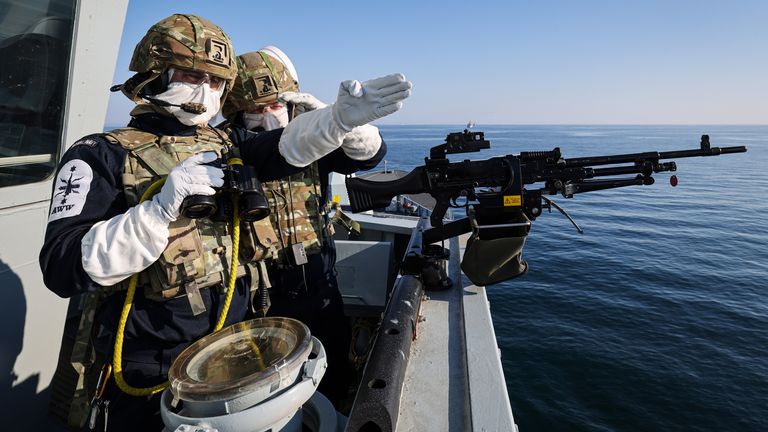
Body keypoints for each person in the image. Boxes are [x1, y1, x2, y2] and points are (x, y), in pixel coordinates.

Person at [39, 14, 411, 431]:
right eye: (189, 74)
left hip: (230, 350)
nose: (204, 90)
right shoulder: (99, 154)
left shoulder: (228, 144)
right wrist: (158, 210)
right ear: (153, 72)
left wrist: (339, 120)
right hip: (147, 362)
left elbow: (287, 148)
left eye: (215, 81)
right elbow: (61, 265)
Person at [220, 47, 390, 407]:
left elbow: (368, 156)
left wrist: (345, 125)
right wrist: (320, 127)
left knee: (330, 365)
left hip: (315, 273)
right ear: (237, 112)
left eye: (274, 106)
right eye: (256, 110)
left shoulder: (312, 134)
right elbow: (265, 154)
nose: (268, 116)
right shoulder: (228, 143)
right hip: (255, 287)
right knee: (260, 380)